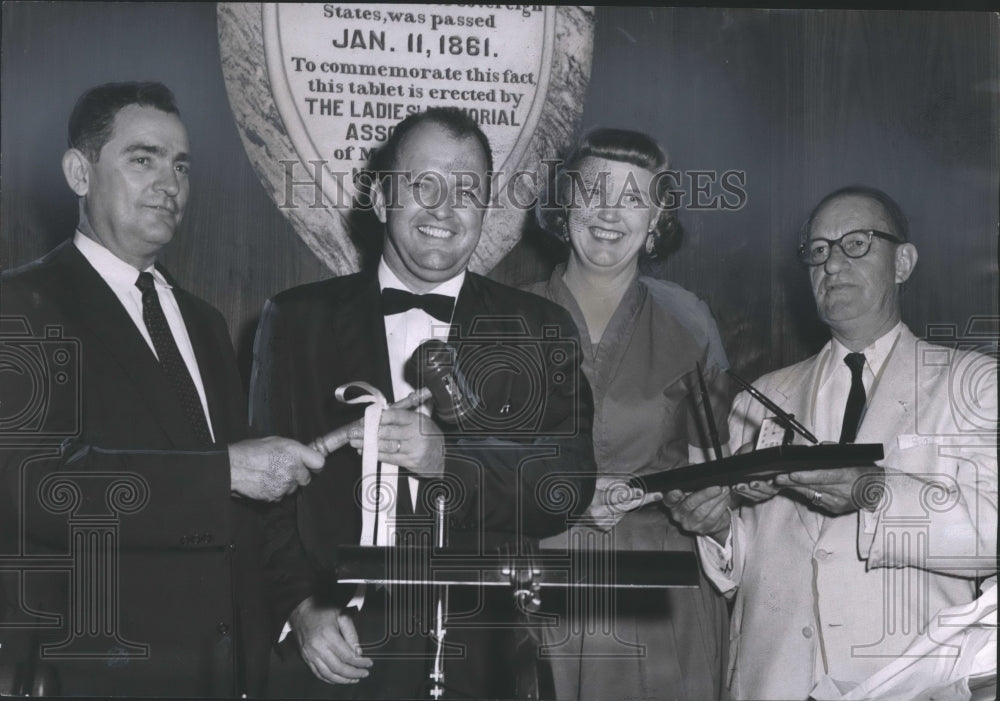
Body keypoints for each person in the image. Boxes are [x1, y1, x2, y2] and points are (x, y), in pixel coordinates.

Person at [250, 107, 597, 699]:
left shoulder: (539, 327)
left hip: (481, 660)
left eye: (467, 190)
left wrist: (449, 463)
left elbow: (566, 485)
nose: (444, 208)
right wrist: (300, 607)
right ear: (384, 195)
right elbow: (262, 493)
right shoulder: (294, 319)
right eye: (423, 185)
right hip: (333, 653)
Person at [0, 82, 325, 697]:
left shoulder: (201, 321)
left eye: (180, 166)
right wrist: (222, 471)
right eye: (141, 158)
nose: (169, 183)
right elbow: (36, 488)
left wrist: (300, 604)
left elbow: (242, 507)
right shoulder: (20, 304)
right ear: (78, 171)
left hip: (222, 672)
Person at [665, 185, 998, 700]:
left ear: (903, 262)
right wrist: (716, 530)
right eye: (818, 250)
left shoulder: (972, 383)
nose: (832, 263)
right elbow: (740, 568)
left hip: (907, 685)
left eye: (856, 243)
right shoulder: (762, 396)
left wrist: (874, 493)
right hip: (771, 682)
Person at [523, 128, 730, 701]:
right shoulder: (505, 312)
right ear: (565, 202)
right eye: (594, 191)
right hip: (542, 580)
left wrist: (697, 498)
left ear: (658, 215)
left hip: (659, 591)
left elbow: (715, 468)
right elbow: (472, 468)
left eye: (634, 197)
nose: (610, 213)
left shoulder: (689, 319)